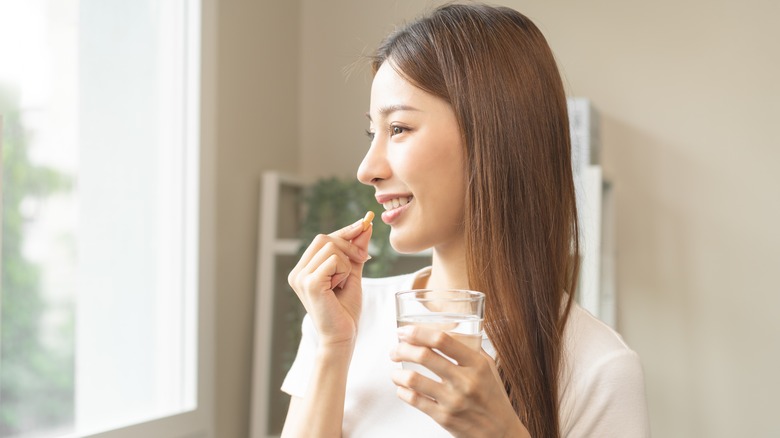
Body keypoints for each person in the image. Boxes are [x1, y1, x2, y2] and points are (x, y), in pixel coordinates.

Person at [281, 3, 649, 437]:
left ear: (493, 136)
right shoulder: (344, 319)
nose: (367, 169)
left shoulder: (598, 367)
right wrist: (332, 348)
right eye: (372, 133)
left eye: (398, 128)